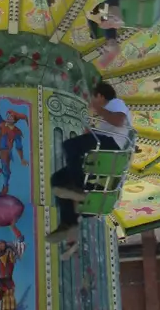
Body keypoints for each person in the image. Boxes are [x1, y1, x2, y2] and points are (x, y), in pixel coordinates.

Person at [47, 82, 131, 245]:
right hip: (103, 148)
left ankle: (80, 188)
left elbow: (119, 120)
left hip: (111, 144)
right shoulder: (106, 119)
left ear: (100, 96)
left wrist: (97, 109)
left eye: (94, 98)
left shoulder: (116, 103)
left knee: (70, 146)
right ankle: (69, 223)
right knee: (58, 179)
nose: (92, 101)